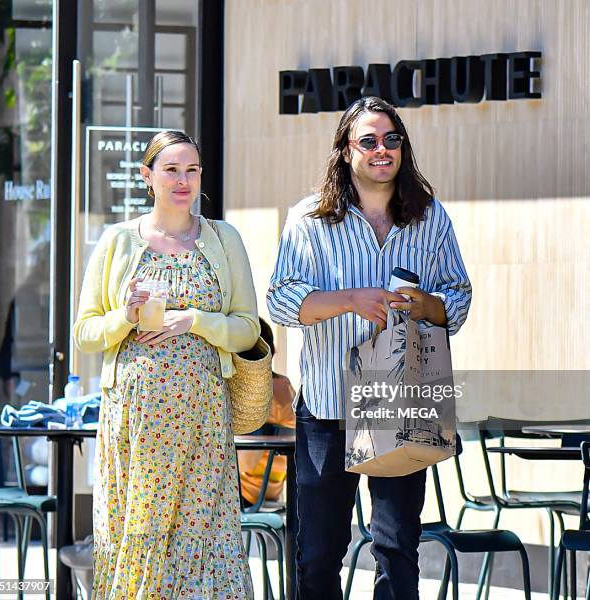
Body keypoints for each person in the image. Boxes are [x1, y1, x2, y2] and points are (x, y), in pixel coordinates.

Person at [267, 97, 472, 600]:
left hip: (401, 405)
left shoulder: (430, 217)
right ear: (344, 151)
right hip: (328, 406)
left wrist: (427, 304)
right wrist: (348, 300)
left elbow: (459, 297)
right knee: (318, 555)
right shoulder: (309, 219)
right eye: (368, 141)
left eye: (392, 140)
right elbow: (281, 299)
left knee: (398, 551)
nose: (382, 150)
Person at [74, 130, 259, 598]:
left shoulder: (223, 238)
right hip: (135, 420)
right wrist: (126, 317)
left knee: (202, 534)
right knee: (139, 535)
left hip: (202, 418)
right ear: (147, 177)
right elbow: (85, 332)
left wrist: (194, 320)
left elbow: (247, 329)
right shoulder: (119, 241)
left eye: (191, 170)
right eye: (171, 169)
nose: (183, 180)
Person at [237, 318, 295, 507]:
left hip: (246, 491)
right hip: (275, 488)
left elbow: (245, 463)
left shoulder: (251, 391)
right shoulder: (285, 386)